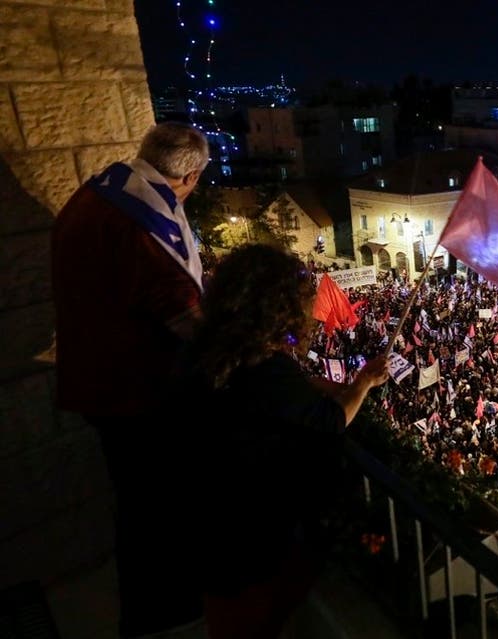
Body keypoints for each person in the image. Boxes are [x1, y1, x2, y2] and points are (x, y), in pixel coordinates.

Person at [181, 244, 389, 639]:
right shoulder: (266, 366)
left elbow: (274, 391)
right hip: (250, 534)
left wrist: (312, 384)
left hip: (209, 516)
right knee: (253, 622)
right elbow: (332, 420)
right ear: (278, 307)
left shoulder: (216, 345)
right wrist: (363, 383)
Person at [51, 122, 209, 637]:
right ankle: (164, 615)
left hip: (98, 372)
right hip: (136, 390)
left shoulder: (101, 192)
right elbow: (188, 321)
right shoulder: (142, 228)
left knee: (137, 502)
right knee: (155, 511)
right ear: (189, 176)